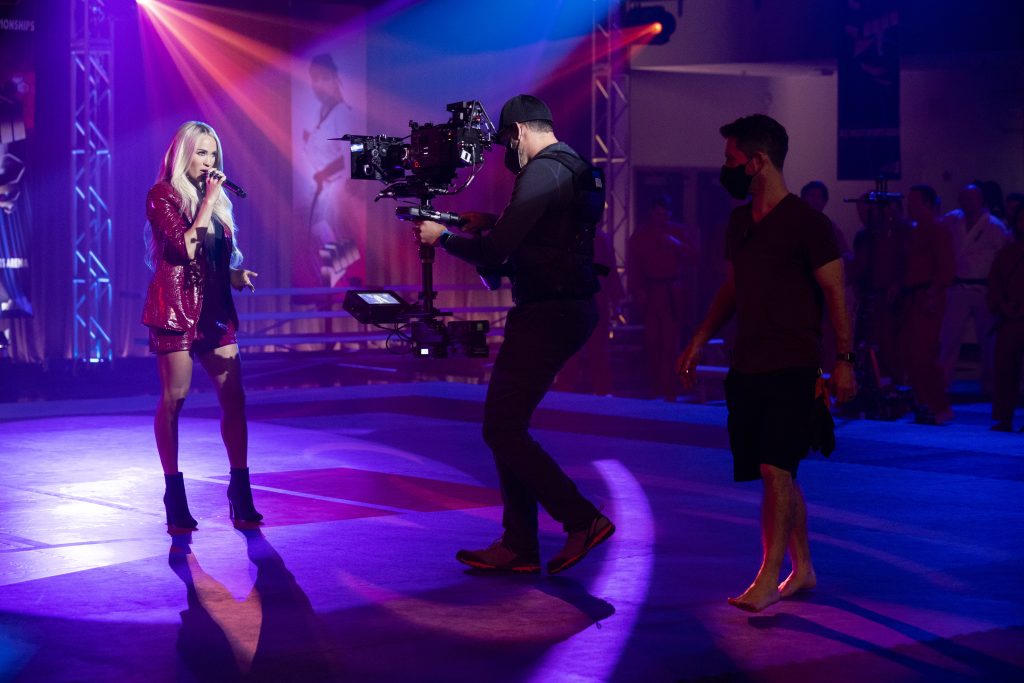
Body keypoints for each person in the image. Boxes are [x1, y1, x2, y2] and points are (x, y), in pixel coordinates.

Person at [412, 95, 614, 575]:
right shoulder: (573, 166)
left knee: (501, 427)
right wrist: (484, 222)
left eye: (506, 141)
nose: (506, 152)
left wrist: (443, 238)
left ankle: (580, 519)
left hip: (548, 311)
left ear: (520, 131)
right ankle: (520, 544)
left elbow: (496, 253)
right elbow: (547, 234)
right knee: (508, 426)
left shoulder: (542, 170)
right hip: (568, 307)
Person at [676, 114, 856, 612]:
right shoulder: (740, 224)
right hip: (749, 362)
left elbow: (836, 294)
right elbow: (734, 288)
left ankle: (767, 576)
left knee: (777, 468)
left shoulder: (809, 225)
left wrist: (843, 360)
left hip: (793, 362)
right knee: (779, 471)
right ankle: (804, 568)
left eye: (731, 159)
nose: (726, 167)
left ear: (757, 161)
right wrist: (699, 338)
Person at [143, 121, 263, 531]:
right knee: (174, 399)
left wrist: (233, 274)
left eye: (213, 153)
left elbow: (211, 257)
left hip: (215, 311)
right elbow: (184, 249)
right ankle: (174, 492)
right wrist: (209, 200)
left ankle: (240, 490)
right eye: (201, 152)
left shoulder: (218, 203)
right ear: (184, 154)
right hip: (176, 310)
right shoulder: (163, 195)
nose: (209, 161)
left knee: (235, 397)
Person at [938, 183, 1011, 395]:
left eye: (970, 198)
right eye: (963, 198)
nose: (966, 202)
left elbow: (1004, 259)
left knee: (988, 341)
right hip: (957, 286)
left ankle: (991, 385)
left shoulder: (995, 226)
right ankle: (942, 383)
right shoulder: (952, 219)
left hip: (984, 288)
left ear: (981, 200)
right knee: (949, 339)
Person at [899, 185, 955, 424]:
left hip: (927, 296)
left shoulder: (937, 229)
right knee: (911, 353)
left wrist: (932, 294)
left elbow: (946, 268)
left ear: (929, 204)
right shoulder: (915, 231)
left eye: (915, 202)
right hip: (914, 296)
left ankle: (938, 405)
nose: (910, 206)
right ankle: (924, 402)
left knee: (924, 353)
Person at [627, 195, 692, 400]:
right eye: (657, 214)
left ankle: (669, 387)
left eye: (664, 214)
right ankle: (654, 385)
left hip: (672, 293)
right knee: (652, 342)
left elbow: (694, 257)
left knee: (671, 343)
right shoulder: (640, 235)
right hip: (651, 292)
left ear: (670, 214)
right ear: (651, 213)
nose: (660, 218)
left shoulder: (678, 232)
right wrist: (637, 291)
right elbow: (633, 265)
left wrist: (675, 243)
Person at [987, 205, 1024, 431]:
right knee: (1005, 370)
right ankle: (1004, 416)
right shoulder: (1006, 252)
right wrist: (1001, 305)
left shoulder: (1007, 252)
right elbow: (995, 281)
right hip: (1009, 317)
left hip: (1013, 314)